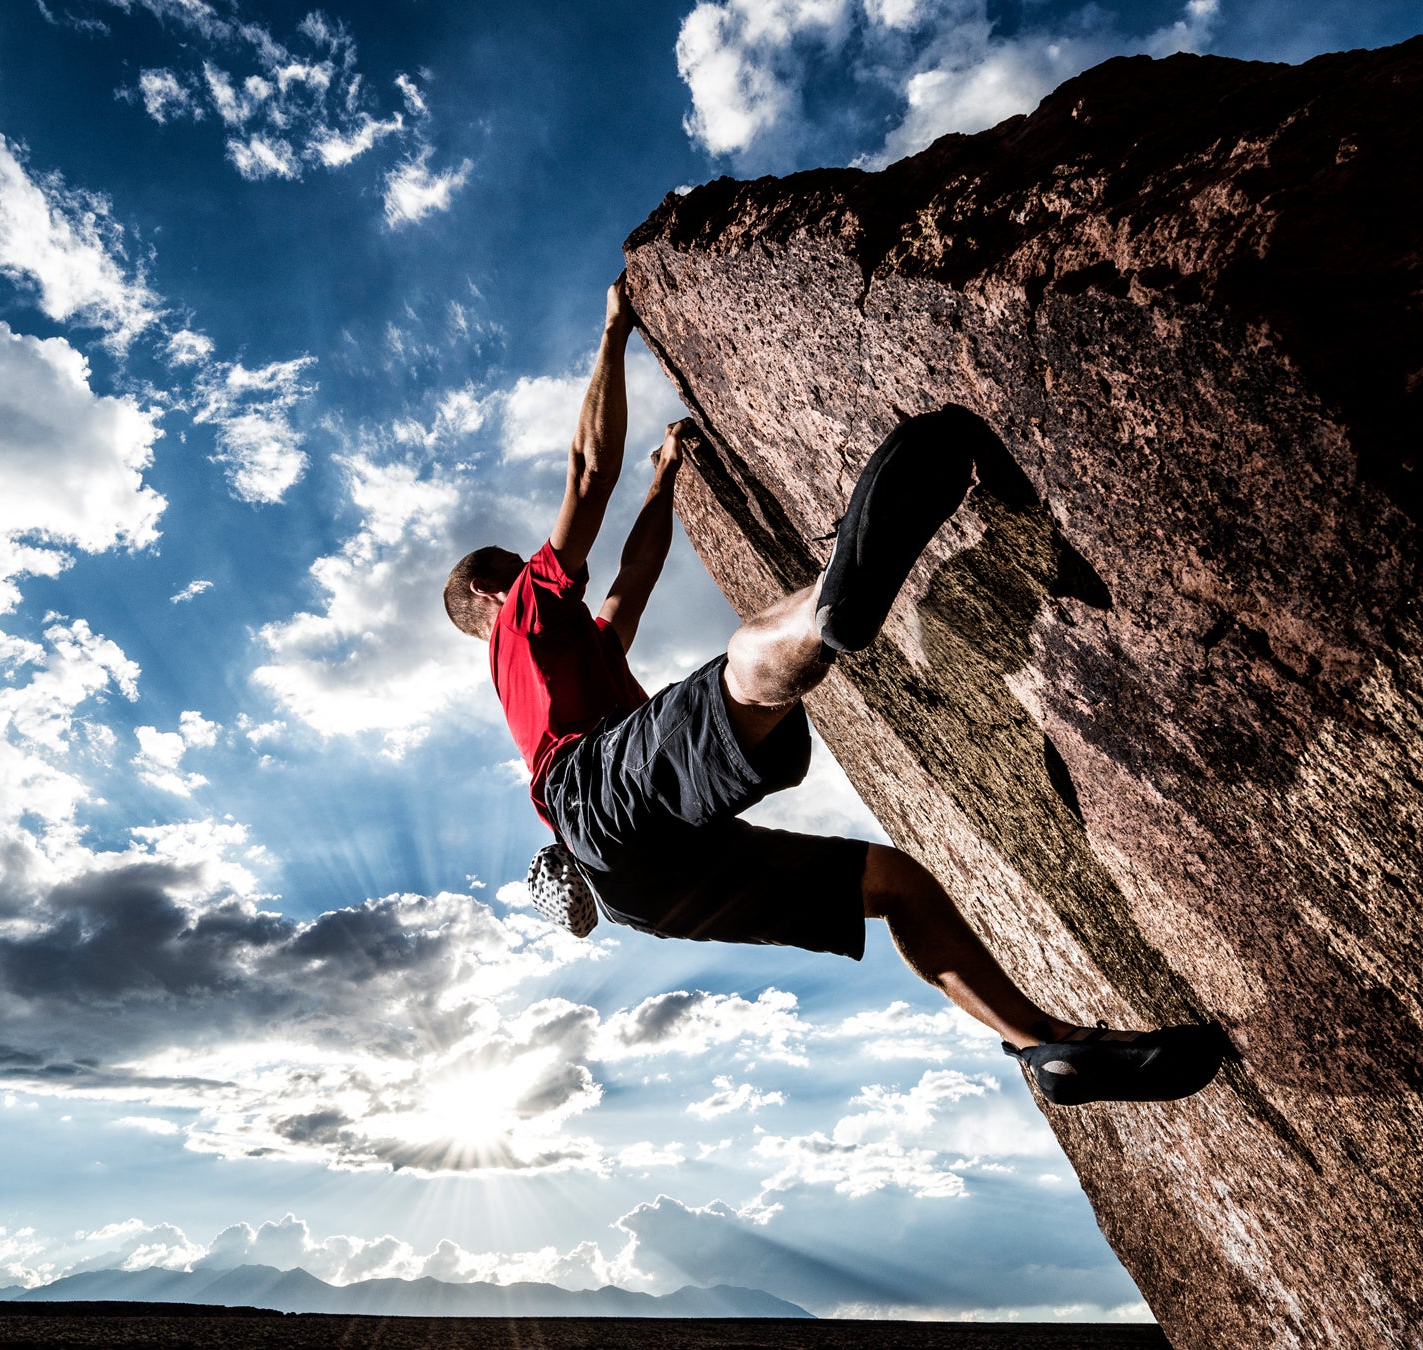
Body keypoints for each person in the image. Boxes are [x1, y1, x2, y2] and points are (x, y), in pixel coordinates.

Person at [443, 276, 1224, 1107]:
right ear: (493, 595)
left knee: (893, 885)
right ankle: (824, 612)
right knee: (742, 665)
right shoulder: (519, 612)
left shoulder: (563, 655)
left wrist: (665, 481)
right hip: (597, 794)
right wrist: (612, 333)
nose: (531, 570)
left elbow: (628, 588)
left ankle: (1046, 1050)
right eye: (515, 571)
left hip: (643, 882)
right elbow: (586, 471)